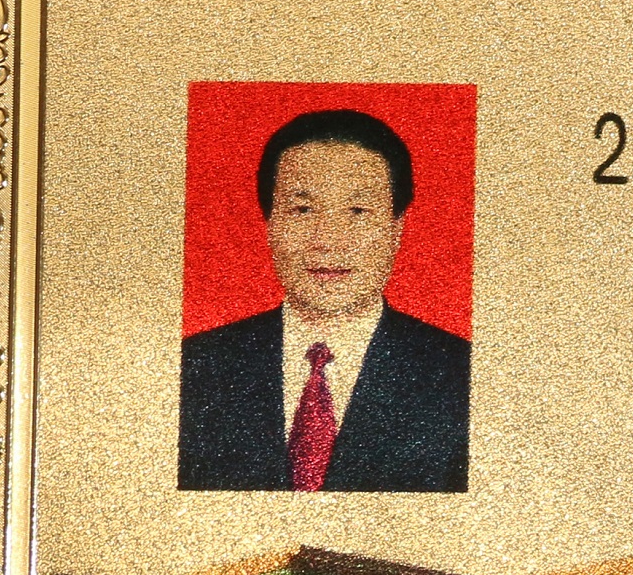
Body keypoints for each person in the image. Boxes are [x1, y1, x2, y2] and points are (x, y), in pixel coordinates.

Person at [180, 108, 469, 492]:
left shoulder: (462, 375)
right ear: (269, 223)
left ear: (397, 226)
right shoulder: (195, 367)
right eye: (302, 210)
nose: (329, 241)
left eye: (358, 211)